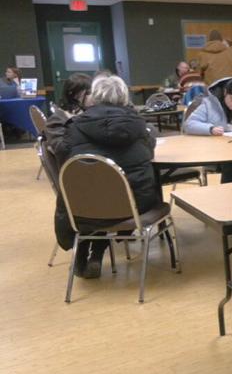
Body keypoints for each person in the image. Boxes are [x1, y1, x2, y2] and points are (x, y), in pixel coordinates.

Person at [55, 75, 161, 279]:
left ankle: (83, 253)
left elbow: (65, 157)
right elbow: (149, 153)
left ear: (94, 96)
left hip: (84, 204)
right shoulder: (138, 124)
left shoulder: (75, 125)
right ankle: (97, 253)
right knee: (115, 194)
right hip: (133, 204)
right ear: (124, 97)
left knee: (94, 192)